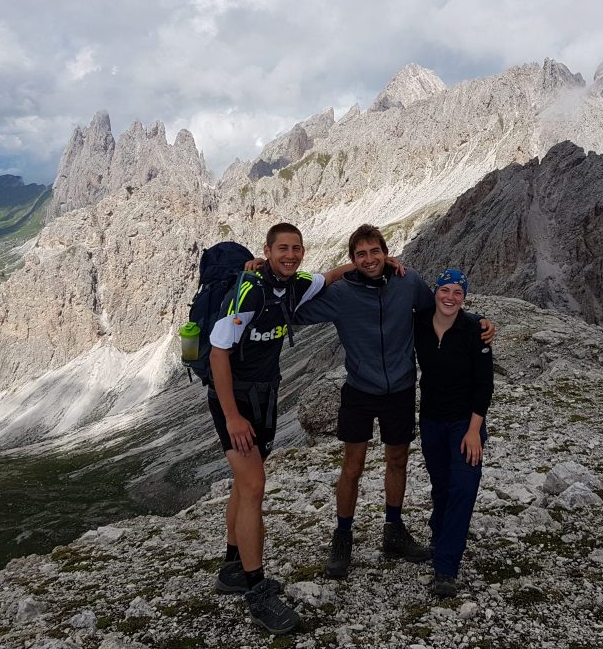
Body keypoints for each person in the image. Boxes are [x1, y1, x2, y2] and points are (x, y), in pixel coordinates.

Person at [294, 224, 495, 579]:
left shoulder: (407, 282)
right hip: (359, 389)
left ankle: (393, 529)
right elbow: (295, 306)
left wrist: (480, 323)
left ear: (386, 253)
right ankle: (342, 536)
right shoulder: (341, 293)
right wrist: (338, 272)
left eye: (375, 252)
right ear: (352, 259)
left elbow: (441, 305)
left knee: (397, 461)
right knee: (352, 466)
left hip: (400, 389)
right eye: (361, 255)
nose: (369, 260)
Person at [208, 222, 352, 635]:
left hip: (264, 397)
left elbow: (330, 276)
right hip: (232, 400)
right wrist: (233, 417)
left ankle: (232, 568)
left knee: (242, 484)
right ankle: (256, 594)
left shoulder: (297, 283)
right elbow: (219, 354)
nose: (290, 255)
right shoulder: (250, 290)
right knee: (254, 487)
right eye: (282, 249)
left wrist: (378, 262)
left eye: (296, 249)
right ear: (267, 251)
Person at [413, 268, 493, 598]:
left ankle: (446, 566)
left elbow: (484, 385)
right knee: (442, 486)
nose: (450, 297)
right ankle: (438, 533)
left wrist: (474, 431)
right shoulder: (418, 320)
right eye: (445, 290)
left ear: (464, 298)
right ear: (435, 293)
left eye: (457, 292)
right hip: (431, 419)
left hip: (465, 423)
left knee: (464, 486)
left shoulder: (474, 329)